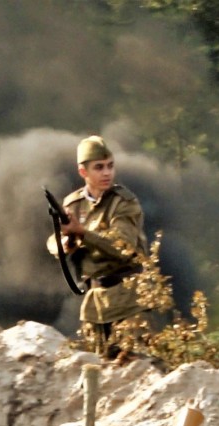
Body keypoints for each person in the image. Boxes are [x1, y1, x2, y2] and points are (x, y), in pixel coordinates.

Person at [47, 135, 149, 358]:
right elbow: (54, 241)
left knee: (134, 365)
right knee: (98, 366)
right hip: (96, 303)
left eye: (110, 166)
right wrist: (68, 243)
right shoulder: (73, 204)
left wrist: (82, 233)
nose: (106, 173)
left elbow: (123, 246)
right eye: (99, 167)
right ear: (83, 172)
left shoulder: (124, 202)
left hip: (128, 298)